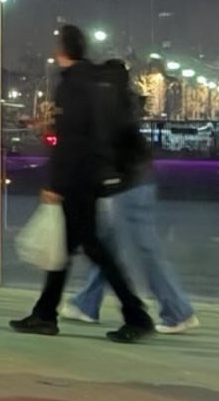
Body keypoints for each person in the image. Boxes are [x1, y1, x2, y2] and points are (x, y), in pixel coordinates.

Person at [10, 26, 155, 344]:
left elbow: (71, 141)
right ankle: (45, 313)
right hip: (89, 175)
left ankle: (136, 315)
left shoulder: (72, 86)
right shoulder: (92, 81)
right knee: (67, 247)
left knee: (94, 249)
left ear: (61, 49)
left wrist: (55, 184)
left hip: (77, 180)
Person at [63, 62, 199, 334]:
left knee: (142, 250)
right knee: (110, 247)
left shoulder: (108, 104)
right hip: (135, 182)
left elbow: (104, 147)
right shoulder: (127, 102)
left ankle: (177, 311)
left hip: (126, 186)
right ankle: (87, 303)